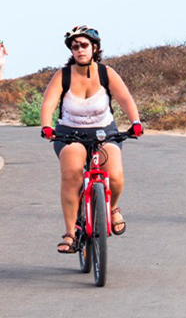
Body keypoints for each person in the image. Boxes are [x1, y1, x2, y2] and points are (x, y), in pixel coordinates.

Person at [39, 25, 143, 253]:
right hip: (69, 133)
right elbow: (49, 103)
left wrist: (135, 122)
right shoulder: (63, 75)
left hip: (105, 132)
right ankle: (70, 232)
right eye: (75, 46)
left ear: (94, 48)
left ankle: (113, 208)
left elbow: (125, 98)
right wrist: (46, 126)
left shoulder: (107, 73)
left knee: (114, 175)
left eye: (84, 45)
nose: (79, 50)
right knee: (72, 173)